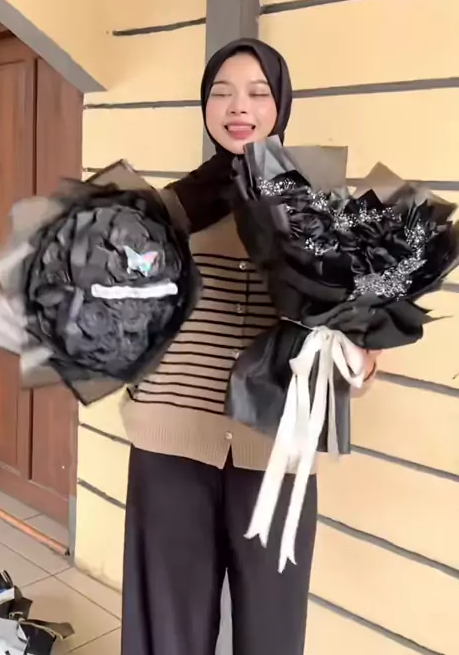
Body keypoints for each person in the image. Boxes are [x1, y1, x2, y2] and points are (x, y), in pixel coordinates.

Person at [119, 38, 379, 655]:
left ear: (281, 105)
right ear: (205, 106)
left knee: (273, 631)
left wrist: (359, 359)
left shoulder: (319, 210)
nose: (239, 107)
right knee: (168, 633)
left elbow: (358, 342)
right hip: (170, 442)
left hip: (277, 451)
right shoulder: (168, 207)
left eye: (259, 93)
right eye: (222, 93)